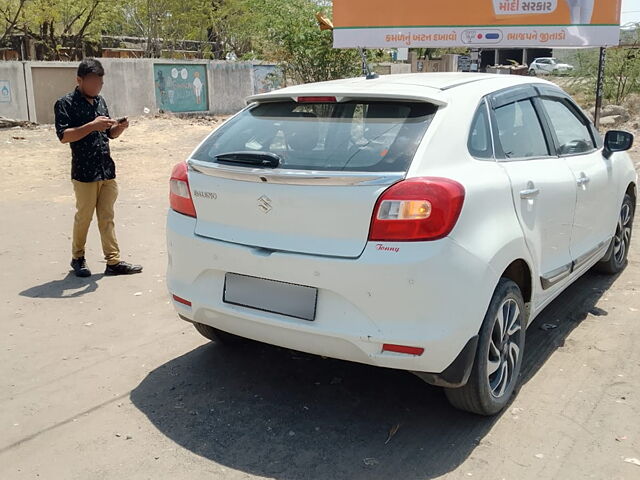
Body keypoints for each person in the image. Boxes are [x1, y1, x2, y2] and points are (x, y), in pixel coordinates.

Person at [54, 58, 143, 277]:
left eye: (100, 83)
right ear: (79, 80)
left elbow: (107, 135)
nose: (97, 87)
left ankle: (113, 261)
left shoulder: (101, 101)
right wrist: (92, 126)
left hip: (106, 170)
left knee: (107, 217)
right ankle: (78, 258)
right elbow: (64, 136)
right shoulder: (65, 103)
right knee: (84, 217)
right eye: (93, 82)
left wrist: (118, 129)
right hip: (84, 173)